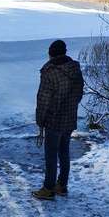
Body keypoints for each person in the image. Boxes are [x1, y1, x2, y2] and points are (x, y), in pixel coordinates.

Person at [32, 40, 84, 201]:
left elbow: (43, 99)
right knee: (64, 152)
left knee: (51, 155)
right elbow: (79, 94)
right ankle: (61, 185)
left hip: (54, 120)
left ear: (51, 54)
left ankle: (48, 189)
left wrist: (40, 120)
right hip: (69, 118)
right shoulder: (75, 69)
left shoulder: (49, 71)